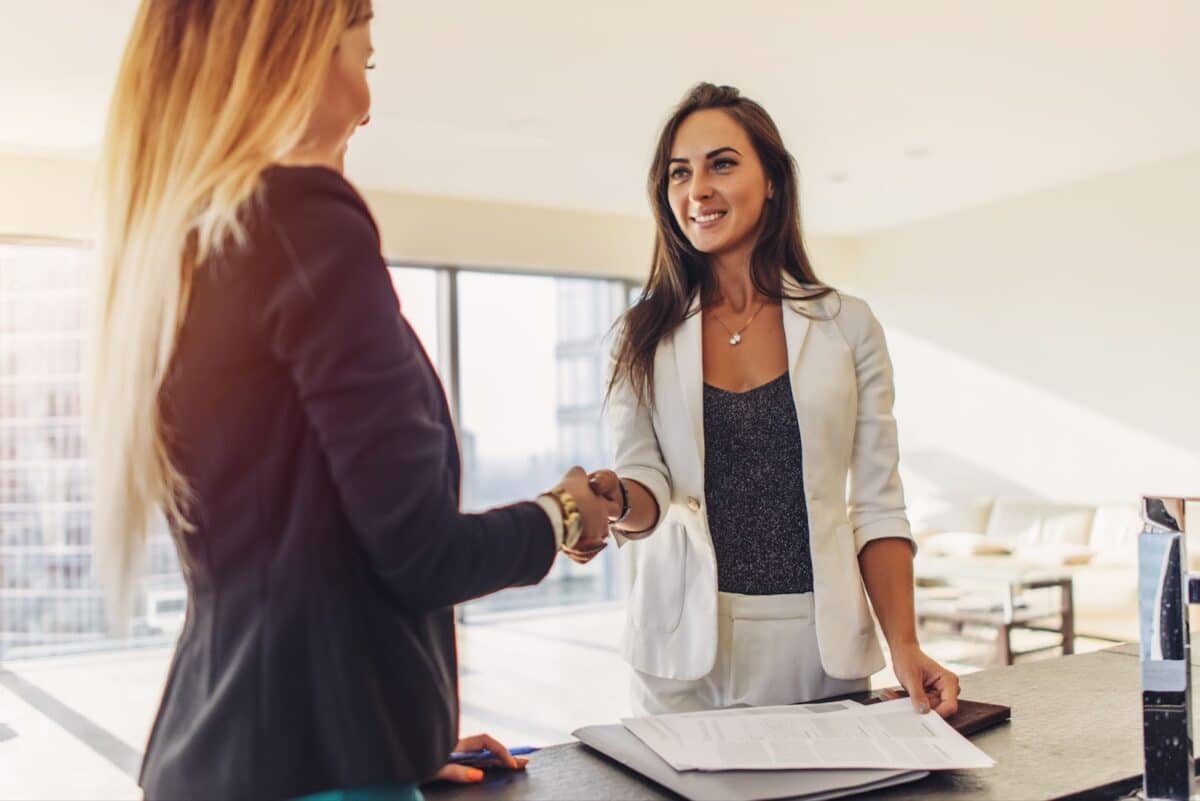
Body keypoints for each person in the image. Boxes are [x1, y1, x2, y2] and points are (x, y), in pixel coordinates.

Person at [86, 2, 608, 798]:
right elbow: (418, 552)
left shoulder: (186, 239)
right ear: (294, 55)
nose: (367, 106)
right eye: (363, 61)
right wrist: (563, 514)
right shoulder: (303, 217)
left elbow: (298, 561)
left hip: (227, 759)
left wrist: (388, 732)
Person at [586, 83, 960, 718]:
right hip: (678, 652)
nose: (697, 189)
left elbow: (875, 505)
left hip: (816, 649)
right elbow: (647, 483)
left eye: (721, 164)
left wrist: (905, 644)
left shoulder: (848, 326)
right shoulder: (640, 335)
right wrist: (615, 501)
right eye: (680, 173)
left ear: (772, 183)